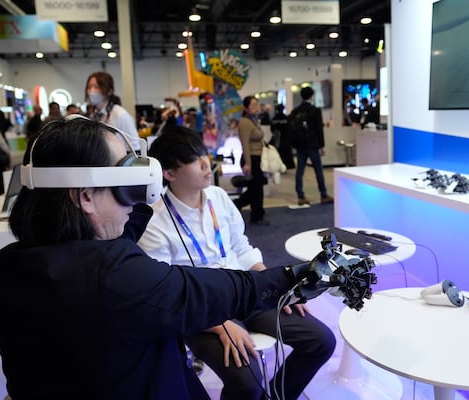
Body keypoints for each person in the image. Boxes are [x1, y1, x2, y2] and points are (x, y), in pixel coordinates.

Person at [0, 116, 334, 400]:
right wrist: (294, 277)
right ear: (86, 197)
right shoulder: (111, 275)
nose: (136, 201)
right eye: (126, 184)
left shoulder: (11, 265)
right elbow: (207, 293)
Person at [138, 126, 336, 400]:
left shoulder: (218, 197)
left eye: (204, 154)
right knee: (248, 383)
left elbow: (242, 248)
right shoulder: (155, 220)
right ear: (169, 174)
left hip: (245, 290)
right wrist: (218, 323)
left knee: (321, 341)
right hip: (201, 308)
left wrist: (281, 288)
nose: (207, 164)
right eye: (195, 160)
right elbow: (167, 295)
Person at [289, 86, 333, 206]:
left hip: (300, 145)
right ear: (311, 96)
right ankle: (323, 195)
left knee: (300, 171)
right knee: (318, 170)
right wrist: (321, 146)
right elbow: (319, 129)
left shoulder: (296, 111)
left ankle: (301, 196)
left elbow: (290, 127)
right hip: (313, 144)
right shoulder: (315, 110)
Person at [234, 96, 269, 225]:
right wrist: (248, 163)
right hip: (250, 159)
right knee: (256, 188)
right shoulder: (245, 122)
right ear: (246, 108)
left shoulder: (254, 120)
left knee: (256, 188)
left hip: (257, 158)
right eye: (252, 105)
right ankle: (256, 215)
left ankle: (237, 205)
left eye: (257, 104)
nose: (256, 107)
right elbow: (245, 144)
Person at [85, 71, 140, 149]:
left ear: (109, 91)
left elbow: (135, 146)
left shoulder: (120, 115)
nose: (91, 91)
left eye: (96, 87)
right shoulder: (92, 115)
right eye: (89, 87)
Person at [270, 104, 295, 169]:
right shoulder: (286, 118)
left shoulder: (274, 119)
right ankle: (288, 165)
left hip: (277, 139)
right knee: (286, 153)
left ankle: (279, 166)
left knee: (278, 152)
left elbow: (272, 129)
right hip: (285, 138)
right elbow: (289, 128)